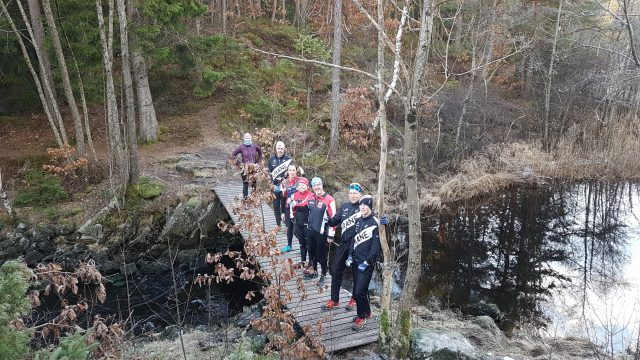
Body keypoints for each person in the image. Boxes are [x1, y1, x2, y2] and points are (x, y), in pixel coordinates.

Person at [321, 183, 363, 311]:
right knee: (335, 270)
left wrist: (383, 219)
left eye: (355, 193)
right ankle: (334, 300)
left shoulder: (364, 207)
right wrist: (326, 217)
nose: (352, 195)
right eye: (351, 193)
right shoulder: (345, 206)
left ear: (360, 194)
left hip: (357, 245)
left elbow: (373, 220)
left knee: (356, 273)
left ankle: (354, 298)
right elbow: (334, 221)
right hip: (344, 243)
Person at [347, 195, 382, 331]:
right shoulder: (358, 220)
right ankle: (367, 312)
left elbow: (376, 246)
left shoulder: (375, 222)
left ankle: (361, 317)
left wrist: (368, 261)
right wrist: (350, 255)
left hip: (366, 263)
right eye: (361, 205)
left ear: (370, 207)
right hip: (355, 260)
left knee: (359, 291)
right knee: (360, 289)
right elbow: (353, 240)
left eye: (365, 205)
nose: (362, 207)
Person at [303, 177, 336, 284]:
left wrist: (331, 235)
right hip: (310, 230)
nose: (316, 187)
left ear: (322, 185)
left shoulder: (329, 199)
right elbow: (305, 209)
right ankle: (314, 271)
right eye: (314, 185)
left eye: (318, 185)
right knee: (311, 252)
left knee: (321, 254)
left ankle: (323, 274)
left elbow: (333, 219)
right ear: (312, 187)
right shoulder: (310, 197)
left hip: (321, 232)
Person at [231, 133, 263, 199]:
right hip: (244, 168)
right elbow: (233, 155)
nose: (248, 139)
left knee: (254, 183)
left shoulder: (255, 146)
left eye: (249, 138)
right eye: (246, 138)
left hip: (254, 168)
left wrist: (258, 161)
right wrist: (238, 163)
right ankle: (245, 201)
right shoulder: (241, 147)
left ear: (251, 138)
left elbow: (260, 153)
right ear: (244, 138)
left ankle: (254, 199)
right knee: (245, 184)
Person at [267, 141, 291, 228]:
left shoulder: (289, 160)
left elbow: (291, 173)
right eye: (278, 148)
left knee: (285, 207)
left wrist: (286, 183)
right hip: (275, 187)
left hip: (285, 188)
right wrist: (271, 185)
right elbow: (268, 174)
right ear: (276, 149)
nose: (280, 150)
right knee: (276, 206)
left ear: (284, 149)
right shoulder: (271, 160)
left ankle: (287, 226)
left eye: (282, 148)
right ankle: (278, 225)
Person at [290, 177, 313, 269]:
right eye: (300, 185)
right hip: (298, 223)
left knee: (309, 245)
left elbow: (303, 206)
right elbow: (291, 207)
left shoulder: (311, 195)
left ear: (307, 186)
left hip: (307, 224)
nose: (301, 187)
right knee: (301, 244)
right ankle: (303, 262)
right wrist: (292, 216)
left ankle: (311, 264)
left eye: (303, 185)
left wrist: (295, 204)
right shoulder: (294, 195)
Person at [281, 164, 301, 253]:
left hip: (298, 207)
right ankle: (289, 245)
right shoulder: (284, 182)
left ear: (296, 171)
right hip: (288, 207)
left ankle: (302, 245)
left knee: (298, 227)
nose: (292, 172)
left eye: (293, 170)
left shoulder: (301, 181)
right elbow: (283, 198)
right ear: (287, 171)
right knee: (289, 227)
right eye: (290, 170)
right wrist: (282, 212)